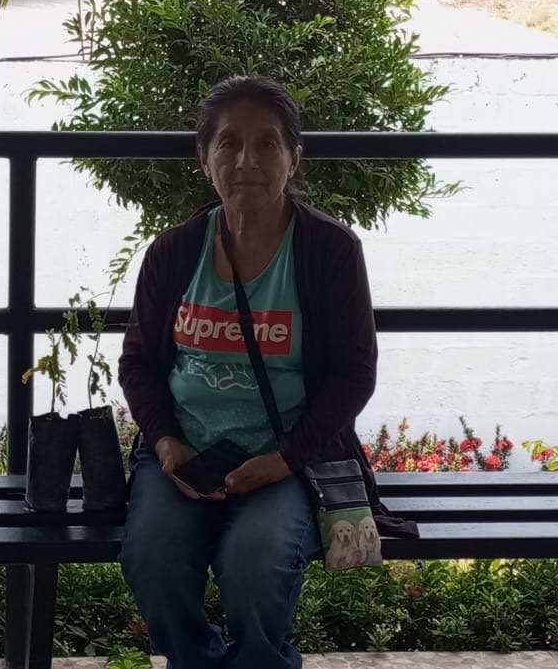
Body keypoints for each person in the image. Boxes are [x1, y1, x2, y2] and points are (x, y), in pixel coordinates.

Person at [117, 75, 381, 669]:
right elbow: (137, 362)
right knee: (154, 559)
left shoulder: (329, 251)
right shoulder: (173, 252)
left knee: (257, 565)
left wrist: (285, 459)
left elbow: (354, 372)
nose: (247, 161)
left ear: (294, 158)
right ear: (203, 157)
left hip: (286, 458)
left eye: (267, 143)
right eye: (229, 143)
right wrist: (165, 442)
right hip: (184, 454)